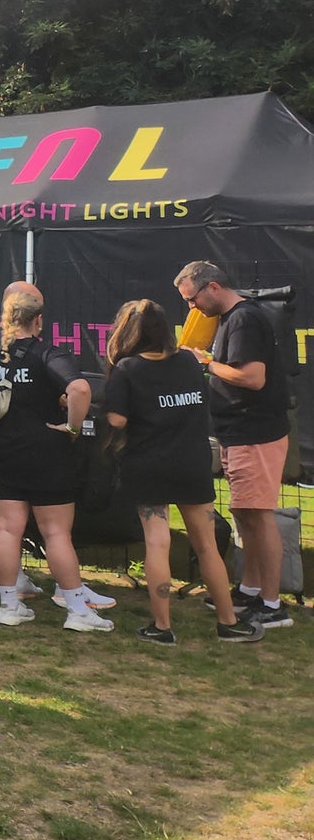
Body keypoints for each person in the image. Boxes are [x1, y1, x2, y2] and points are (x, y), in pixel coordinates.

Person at [0, 286, 110, 630]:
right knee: (56, 533)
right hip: (46, 454)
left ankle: (8, 606)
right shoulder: (47, 353)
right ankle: (77, 610)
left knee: (5, 527)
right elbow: (80, 388)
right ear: (39, 320)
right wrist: (72, 427)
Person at [101, 299, 263, 643]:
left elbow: (117, 419)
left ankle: (162, 628)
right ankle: (229, 621)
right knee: (207, 545)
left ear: (127, 331)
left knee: (157, 544)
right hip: (191, 463)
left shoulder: (127, 368)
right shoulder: (190, 362)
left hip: (148, 466)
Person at [175, 260, 294, 629]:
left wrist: (206, 362)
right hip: (240, 431)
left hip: (255, 432)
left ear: (212, 287)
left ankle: (273, 605)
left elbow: (253, 378)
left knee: (259, 516)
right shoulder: (231, 318)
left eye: (192, 299)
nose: (192, 308)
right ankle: (250, 588)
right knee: (245, 514)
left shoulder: (242, 319)